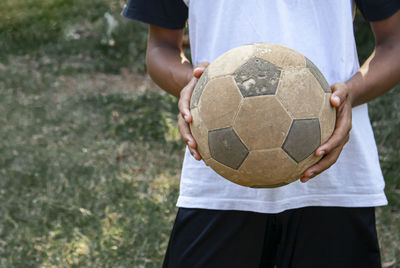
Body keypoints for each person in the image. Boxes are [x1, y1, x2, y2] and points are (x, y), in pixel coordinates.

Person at [122, 0, 400, 267]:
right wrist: (196, 89)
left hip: (334, 178)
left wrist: (349, 94)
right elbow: (161, 47)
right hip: (219, 176)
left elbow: (393, 43)